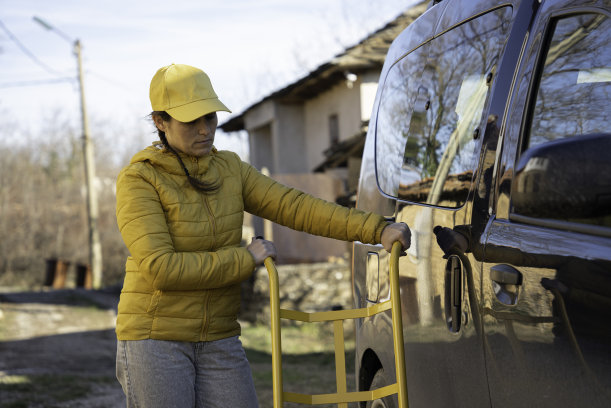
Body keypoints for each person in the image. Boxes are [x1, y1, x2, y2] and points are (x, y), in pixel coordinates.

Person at [114, 63, 411, 408]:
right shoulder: (140, 180)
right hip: (155, 338)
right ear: (160, 122)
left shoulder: (230, 169)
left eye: (209, 118)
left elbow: (296, 206)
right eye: (190, 121)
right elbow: (160, 267)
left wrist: (377, 229)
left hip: (218, 335)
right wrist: (245, 258)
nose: (204, 130)